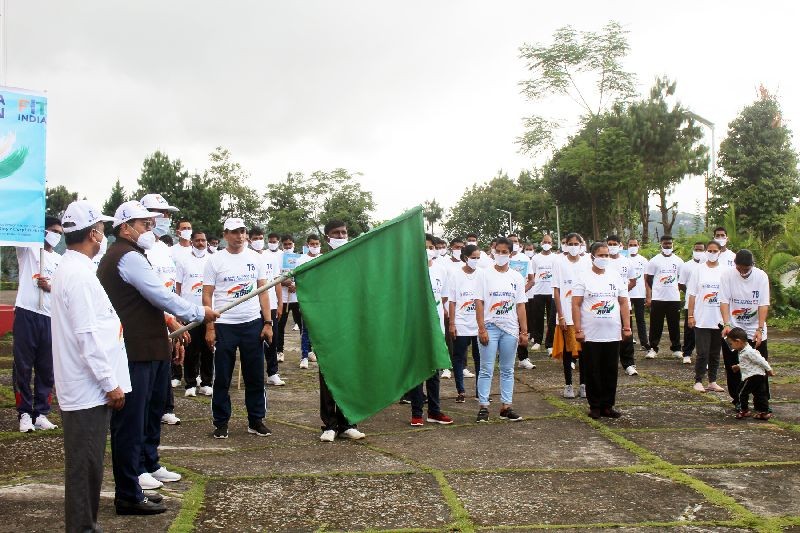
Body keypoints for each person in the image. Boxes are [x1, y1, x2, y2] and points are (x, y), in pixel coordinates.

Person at [97, 200, 217, 514]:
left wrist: (174, 328)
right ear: (125, 227)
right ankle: (129, 491)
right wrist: (198, 312)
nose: (151, 228)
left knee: (149, 415)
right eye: (144, 224)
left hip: (149, 346)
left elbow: (155, 302)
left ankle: (146, 468)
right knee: (130, 423)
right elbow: (159, 295)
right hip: (134, 350)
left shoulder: (134, 254)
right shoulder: (125, 257)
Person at [51, 201, 131, 533]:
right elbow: (87, 337)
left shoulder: (76, 269)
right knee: (85, 469)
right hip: (88, 389)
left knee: (89, 467)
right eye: (101, 228)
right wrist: (110, 383)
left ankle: (86, 526)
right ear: (94, 233)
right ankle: (83, 528)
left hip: (86, 386)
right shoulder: (78, 275)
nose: (104, 234)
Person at [203, 218, 273, 439]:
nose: (239, 236)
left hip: (252, 324)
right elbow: (207, 294)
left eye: (242, 231)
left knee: (255, 376)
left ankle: (256, 420)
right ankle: (221, 422)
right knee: (222, 377)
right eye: (234, 232)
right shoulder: (215, 261)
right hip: (224, 325)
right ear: (225, 235)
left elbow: (264, 291)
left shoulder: (255, 258)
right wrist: (210, 327)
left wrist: (268, 323)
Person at [315, 221, 366, 441]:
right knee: (328, 374)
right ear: (327, 238)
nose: (341, 236)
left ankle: (348, 422)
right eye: (336, 233)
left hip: (351, 326)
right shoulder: (320, 264)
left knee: (350, 374)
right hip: (328, 326)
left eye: (344, 232)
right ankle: (329, 425)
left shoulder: (355, 262)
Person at [13, 215, 62, 432]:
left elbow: (64, 290)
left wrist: (51, 287)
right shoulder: (29, 251)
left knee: (47, 368)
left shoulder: (61, 260)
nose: (56, 236)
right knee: (23, 366)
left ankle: (41, 412)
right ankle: (24, 412)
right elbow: (17, 229)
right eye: (53, 231)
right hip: (27, 313)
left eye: (60, 233)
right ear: (42, 231)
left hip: (50, 317)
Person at [572, 242, 632, 419]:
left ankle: (608, 405)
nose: (604, 258)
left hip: (612, 332)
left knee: (610, 369)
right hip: (591, 333)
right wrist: (578, 329)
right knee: (592, 370)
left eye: (606, 255)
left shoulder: (615, 276)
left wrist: (626, 327)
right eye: (601, 255)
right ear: (592, 256)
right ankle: (595, 405)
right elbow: (576, 304)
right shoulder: (583, 277)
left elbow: (623, 302)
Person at [140, 193, 182, 425]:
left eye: (168, 214)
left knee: (164, 364)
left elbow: (170, 288)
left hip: (167, 319)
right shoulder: (138, 250)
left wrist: (174, 317)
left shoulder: (165, 249)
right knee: (147, 368)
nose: (166, 218)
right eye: (162, 213)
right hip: (148, 322)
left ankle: (164, 406)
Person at [475, 236, 528, 422]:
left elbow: (520, 305)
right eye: (498, 251)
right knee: (486, 368)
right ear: (493, 251)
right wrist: (481, 328)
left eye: (505, 252)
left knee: (507, 369)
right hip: (490, 327)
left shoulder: (517, 277)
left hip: (510, 329)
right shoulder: (483, 274)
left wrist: (524, 331)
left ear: (511, 254)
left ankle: (506, 406)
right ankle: (483, 406)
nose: (501, 255)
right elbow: (479, 302)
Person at [409, 234, 455, 426]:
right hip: (417, 326)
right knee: (418, 370)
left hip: (436, 327)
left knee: (434, 371)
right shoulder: (411, 271)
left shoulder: (441, 270)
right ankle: (417, 412)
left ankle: (434, 411)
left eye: (431, 246)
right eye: (424, 246)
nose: (428, 250)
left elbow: (444, 298)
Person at [720, 249, 770, 409]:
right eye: (739, 268)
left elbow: (763, 304)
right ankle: (739, 400)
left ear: (752, 266)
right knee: (733, 367)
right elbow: (724, 301)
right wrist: (727, 324)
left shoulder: (761, 276)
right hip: (734, 328)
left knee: (758, 367)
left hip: (755, 328)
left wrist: (760, 329)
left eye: (746, 269)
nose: (742, 272)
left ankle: (761, 402)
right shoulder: (727, 275)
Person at [175, 230, 213, 397]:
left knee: (208, 348)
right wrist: (177, 311)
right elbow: (178, 287)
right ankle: (190, 383)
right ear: (192, 242)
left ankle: (206, 382)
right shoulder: (183, 261)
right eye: (197, 240)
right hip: (189, 312)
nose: (200, 243)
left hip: (208, 312)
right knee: (190, 349)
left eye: (203, 240)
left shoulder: (213, 260)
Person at [553, 233, 588, 398]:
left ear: (581, 245)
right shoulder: (559, 263)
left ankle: (584, 384)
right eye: (570, 243)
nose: (573, 246)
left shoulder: (587, 262)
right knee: (568, 352)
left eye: (576, 243)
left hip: (585, 316)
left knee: (585, 353)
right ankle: (568, 385)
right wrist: (561, 316)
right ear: (566, 245)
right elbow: (556, 291)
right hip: (566, 315)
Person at [687, 241, 725, 393]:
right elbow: (692, 294)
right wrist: (690, 315)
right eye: (709, 250)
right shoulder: (698, 270)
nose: (712, 253)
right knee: (702, 352)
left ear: (719, 252)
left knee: (715, 353)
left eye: (715, 250)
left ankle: (713, 381)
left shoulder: (725, 271)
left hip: (719, 319)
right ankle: (698, 380)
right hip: (702, 318)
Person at [249, 227, 285, 386]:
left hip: (270, 305)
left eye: (260, 238)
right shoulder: (246, 257)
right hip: (251, 306)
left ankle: (273, 372)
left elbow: (277, 282)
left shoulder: (271, 258)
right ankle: (252, 373)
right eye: (255, 238)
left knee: (272, 338)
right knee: (252, 340)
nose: (258, 241)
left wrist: (280, 302)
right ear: (249, 240)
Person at [447, 245, 481, 403]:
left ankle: (480, 390)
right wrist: (452, 324)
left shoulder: (482, 274)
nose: (476, 260)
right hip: (461, 322)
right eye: (473, 257)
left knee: (479, 357)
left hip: (479, 323)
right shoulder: (455, 275)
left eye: (478, 258)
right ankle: (460, 390)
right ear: (465, 257)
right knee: (459, 357)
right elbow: (452, 301)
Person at [644, 235, 684, 360]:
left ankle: (676, 349)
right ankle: (653, 348)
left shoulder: (679, 261)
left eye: (670, 244)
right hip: (658, 298)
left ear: (673, 244)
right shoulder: (654, 261)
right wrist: (655, 290)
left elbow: (681, 280)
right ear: (661, 244)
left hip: (674, 298)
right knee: (656, 325)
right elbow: (649, 279)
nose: (667, 246)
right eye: (665, 243)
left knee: (674, 325)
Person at [605, 235, 638, 376]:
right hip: (606, 304)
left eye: (614, 244)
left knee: (626, 332)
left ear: (620, 245)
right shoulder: (603, 262)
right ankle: (607, 361)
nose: (612, 246)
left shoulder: (627, 262)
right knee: (607, 332)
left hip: (624, 304)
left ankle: (629, 363)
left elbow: (633, 281)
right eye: (609, 244)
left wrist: (622, 294)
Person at [728, 327, 774, 420]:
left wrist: (769, 369)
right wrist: (738, 366)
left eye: (731, 343)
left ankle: (744, 410)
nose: (731, 346)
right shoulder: (743, 351)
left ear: (738, 341)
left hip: (752, 376)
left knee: (741, 392)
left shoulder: (749, 351)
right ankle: (764, 412)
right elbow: (747, 364)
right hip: (758, 375)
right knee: (760, 394)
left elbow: (761, 360)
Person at [527, 234, 557, 357]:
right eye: (545, 242)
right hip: (538, 291)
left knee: (552, 320)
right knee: (537, 317)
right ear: (541, 243)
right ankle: (537, 341)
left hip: (552, 292)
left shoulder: (556, 258)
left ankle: (550, 344)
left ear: (552, 243)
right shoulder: (535, 258)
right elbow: (532, 274)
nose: (547, 244)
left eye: (549, 242)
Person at [678, 242, 706, 365]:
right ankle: (687, 353)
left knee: (704, 329)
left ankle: (704, 354)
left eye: (701, 250)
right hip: (690, 303)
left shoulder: (707, 267)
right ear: (693, 250)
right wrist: (691, 293)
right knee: (689, 328)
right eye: (696, 249)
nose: (698, 251)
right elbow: (681, 283)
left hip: (706, 304)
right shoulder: (686, 266)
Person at [627, 238, 649, 352]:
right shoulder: (624, 259)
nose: (633, 246)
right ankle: (628, 340)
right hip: (626, 294)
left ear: (638, 246)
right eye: (630, 245)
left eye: (635, 244)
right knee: (627, 319)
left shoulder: (644, 260)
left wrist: (648, 295)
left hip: (640, 294)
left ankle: (644, 342)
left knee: (640, 319)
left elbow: (646, 280)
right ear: (627, 246)